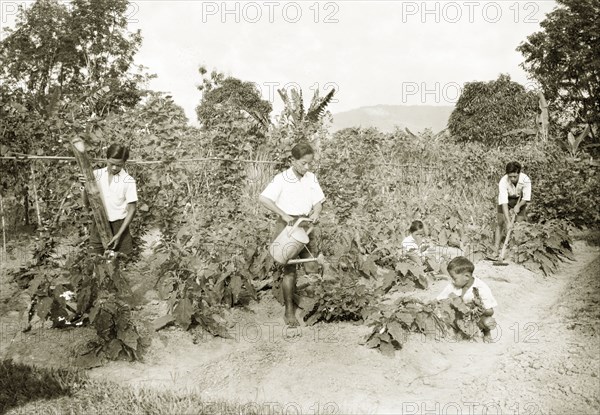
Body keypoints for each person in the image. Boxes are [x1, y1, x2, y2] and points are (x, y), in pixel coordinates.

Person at [259, 142, 325, 327]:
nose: (307, 167)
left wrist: (316, 212)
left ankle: (313, 306)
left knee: (312, 266)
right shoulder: (282, 179)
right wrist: (283, 214)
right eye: (303, 163)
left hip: (306, 225)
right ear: (292, 160)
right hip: (288, 226)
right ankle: (289, 311)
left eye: (310, 163)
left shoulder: (311, 178)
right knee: (289, 270)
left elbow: (318, 200)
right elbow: (263, 198)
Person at [80, 144, 138, 257]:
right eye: (111, 164)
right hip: (99, 222)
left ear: (124, 163)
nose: (114, 168)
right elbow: (86, 203)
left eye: (119, 165)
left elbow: (132, 209)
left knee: (118, 263)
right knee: (95, 260)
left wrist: (119, 235)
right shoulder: (95, 175)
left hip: (119, 226)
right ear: (106, 159)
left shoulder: (128, 180)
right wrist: (83, 187)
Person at [436, 256, 497, 342]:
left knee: (488, 322)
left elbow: (491, 311)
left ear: (467, 276)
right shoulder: (453, 286)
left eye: (454, 278)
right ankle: (460, 331)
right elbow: (439, 300)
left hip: (476, 318)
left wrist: (479, 309)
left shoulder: (482, 288)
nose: (452, 281)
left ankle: (486, 332)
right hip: (460, 317)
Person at [493, 161, 532, 258]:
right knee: (500, 222)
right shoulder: (503, 181)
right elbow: (504, 203)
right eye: (510, 176)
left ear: (519, 173)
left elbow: (526, 198)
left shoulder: (526, 180)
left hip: (520, 200)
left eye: (515, 176)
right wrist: (508, 221)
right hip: (507, 199)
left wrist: (518, 206)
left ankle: (514, 249)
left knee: (518, 224)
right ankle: (495, 250)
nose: (512, 179)